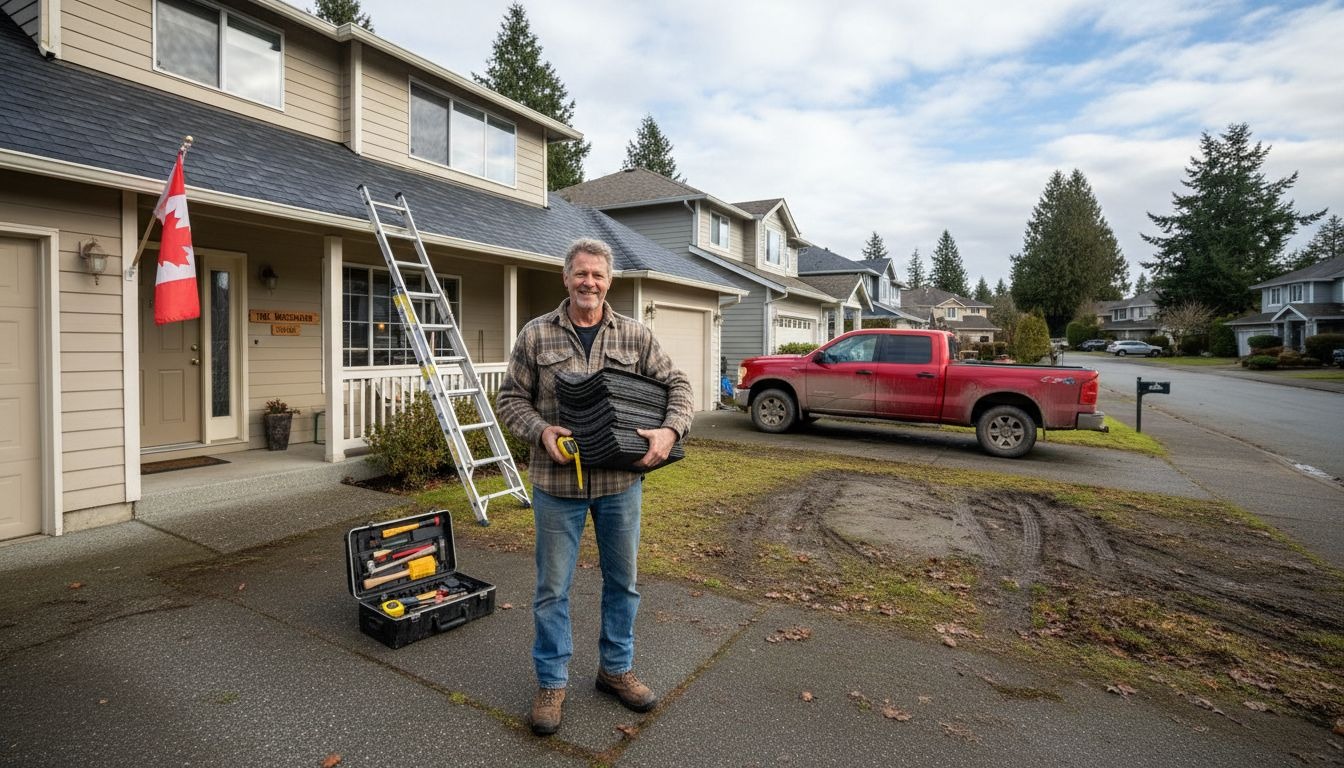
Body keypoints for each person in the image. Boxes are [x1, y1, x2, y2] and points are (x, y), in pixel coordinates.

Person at [496, 238, 693, 736]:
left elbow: (680, 386)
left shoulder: (635, 336)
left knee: (622, 583)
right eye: (580, 273)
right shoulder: (536, 335)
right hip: (555, 485)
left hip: (620, 483)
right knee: (550, 590)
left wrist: (670, 431)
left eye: (598, 276)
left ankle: (615, 670)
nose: (589, 283)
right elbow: (509, 400)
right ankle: (551, 682)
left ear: (610, 282)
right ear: (566, 278)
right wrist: (541, 431)